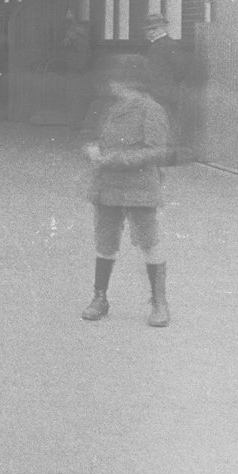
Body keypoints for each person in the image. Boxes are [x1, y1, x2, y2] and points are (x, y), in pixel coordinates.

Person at [80, 54, 173, 326]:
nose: (112, 86)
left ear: (130, 83)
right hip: (107, 186)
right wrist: (90, 149)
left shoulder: (151, 109)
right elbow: (87, 135)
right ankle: (100, 297)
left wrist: (113, 159)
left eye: (117, 81)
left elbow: (157, 150)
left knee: (149, 242)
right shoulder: (106, 107)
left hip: (140, 187)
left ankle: (159, 302)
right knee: (105, 242)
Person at [141, 12, 199, 159]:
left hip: (166, 92)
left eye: (154, 28)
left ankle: (169, 156)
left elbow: (181, 69)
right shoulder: (158, 45)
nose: (150, 32)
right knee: (162, 123)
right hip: (160, 91)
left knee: (167, 123)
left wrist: (169, 83)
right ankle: (164, 156)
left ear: (163, 28)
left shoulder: (169, 45)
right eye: (148, 29)